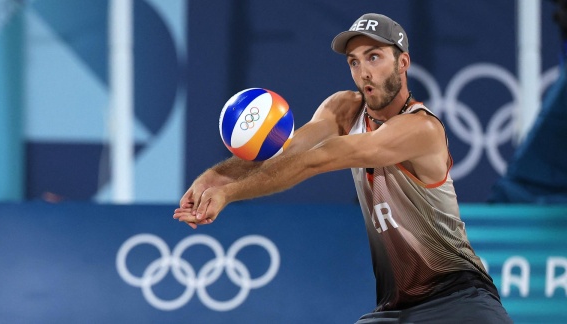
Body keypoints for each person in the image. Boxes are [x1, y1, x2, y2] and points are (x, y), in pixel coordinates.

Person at [174, 13, 513, 323]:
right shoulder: (344, 109)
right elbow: (286, 153)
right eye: (354, 61)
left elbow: (314, 160)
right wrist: (213, 177)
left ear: (403, 63)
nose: (363, 72)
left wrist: (228, 194)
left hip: (460, 299)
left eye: (374, 57)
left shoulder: (421, 129)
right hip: (396, 310)